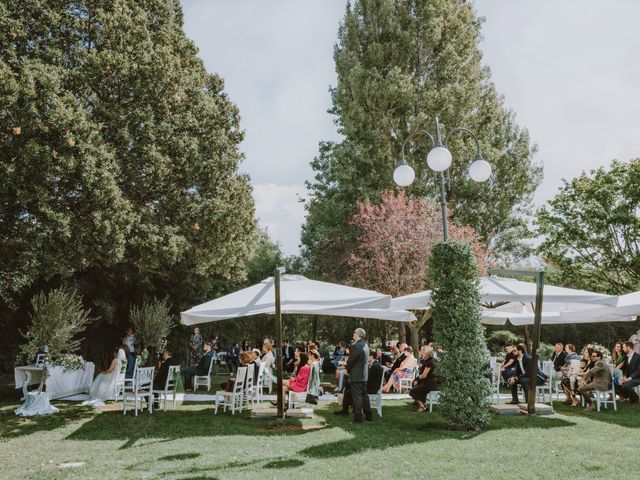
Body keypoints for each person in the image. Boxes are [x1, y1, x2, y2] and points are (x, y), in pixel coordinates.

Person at [335, 350, 383, 416]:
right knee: (348, 385)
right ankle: (352, 408)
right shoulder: (373, 365)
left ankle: (347, 410)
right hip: (369, 386)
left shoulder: (374, 366)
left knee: (348, 392)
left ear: (371, 357)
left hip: (371, 388)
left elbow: (368, 380)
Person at [346, 327, 372, 423]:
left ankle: (358, 417)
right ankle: (369, 415)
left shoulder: (356, 346)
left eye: (354, 332)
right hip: (364, 374)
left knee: (357, 396)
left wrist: (348, 369)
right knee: (364, 395)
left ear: (358, 334)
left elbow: (351, 361)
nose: (353, 334)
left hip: (356, 375)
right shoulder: (365, 345)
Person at [409, 345, 438, 413]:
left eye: (422, 350)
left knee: (412, 391)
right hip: (428, 382)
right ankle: (421, 404)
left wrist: (416, 378)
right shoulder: (429, 360)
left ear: (426, 352)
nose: (420, 352)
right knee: (416, 387)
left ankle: (422, 406)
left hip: (430, 383)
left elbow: (424, 375)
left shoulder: (430, 362)